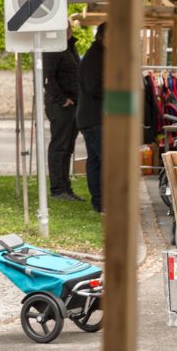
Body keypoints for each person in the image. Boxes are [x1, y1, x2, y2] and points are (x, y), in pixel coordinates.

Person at [43, 23, 82, 201]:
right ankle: (58, 189)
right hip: (61, 106)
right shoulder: (53, 49)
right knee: (60, 146)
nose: (69, 30)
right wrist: (61, 99)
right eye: (64, 27)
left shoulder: (69, 47)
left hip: (73, 104)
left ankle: (66, 188)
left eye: (68, 27)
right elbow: (47, 77)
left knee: (67, 147)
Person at [77, 23, 106, 213]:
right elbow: (94, 86)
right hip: (94, 118)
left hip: (93, 117)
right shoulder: (96, 56)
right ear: (103, 37)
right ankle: (102, 202)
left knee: (96, 160)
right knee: (103, 160)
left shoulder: (99, 54)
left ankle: (100, 202)